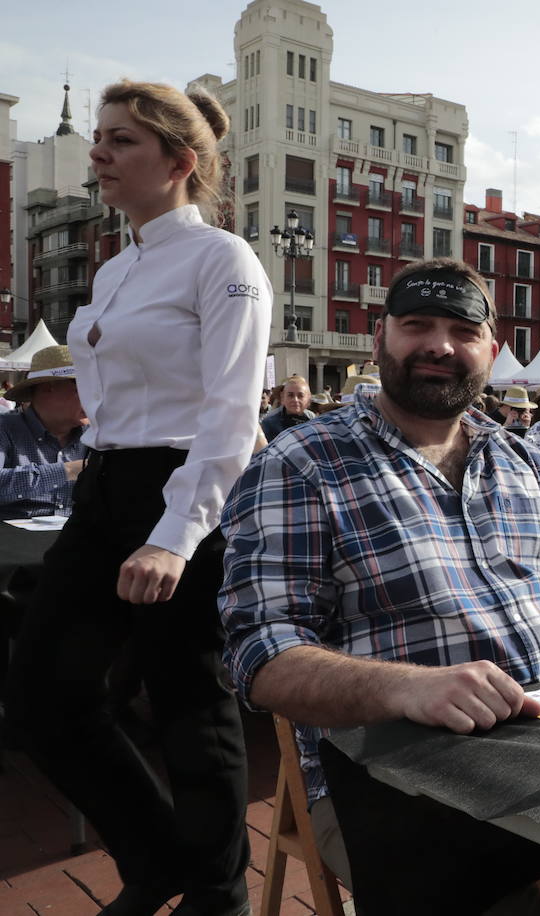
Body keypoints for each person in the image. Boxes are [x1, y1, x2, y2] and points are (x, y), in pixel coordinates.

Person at [218, 258, 540, 903]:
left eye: (462, 330)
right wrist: (408, 689)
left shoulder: (523, 460)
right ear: (380, 339)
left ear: (490, 351)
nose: (440, 344)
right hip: (403, 775)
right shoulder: (300, 464)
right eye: (418, 324)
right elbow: (261, 653)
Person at [6, 80, 269, 916]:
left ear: (179, 162)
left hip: (185, 483)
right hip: (109, 482)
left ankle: (218, 898)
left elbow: (233, 413)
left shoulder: (224, 259)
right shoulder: (116, 266)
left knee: (191, 704)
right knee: (43, 697)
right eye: (99, 138)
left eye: (121, 140)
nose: (100, 154)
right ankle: (159, 861)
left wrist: (177, 531)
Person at [0, 345, 88, 518]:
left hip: (78, 539)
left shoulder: (98, 435)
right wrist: (68, 470)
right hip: (12, 541)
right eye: (85, 387)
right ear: (49, 387)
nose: (95, 396)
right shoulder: (4, 428)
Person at [259, 375, 315, 441]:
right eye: (290, 395)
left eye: (300, 395)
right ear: (282, 397)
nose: (295, 400)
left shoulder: (313, 419)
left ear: (308, 400)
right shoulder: (270, 422)